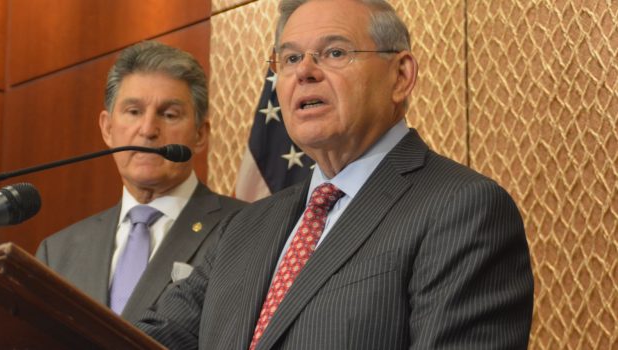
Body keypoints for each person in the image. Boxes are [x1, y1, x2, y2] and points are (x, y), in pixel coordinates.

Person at [134, 0, 534, 349]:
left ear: (401, 76)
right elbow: (145, 337)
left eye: (335, 52)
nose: (304, 72)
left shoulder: (463, 210)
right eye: (290, 58)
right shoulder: (243, 228)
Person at [36, 41, 246, 323]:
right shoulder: (58, 252)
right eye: (134, 112)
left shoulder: (245, 228)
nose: (148, 130)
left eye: (169, 114)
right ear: (108, 128)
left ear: (200, 135)